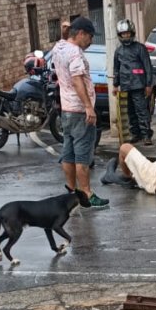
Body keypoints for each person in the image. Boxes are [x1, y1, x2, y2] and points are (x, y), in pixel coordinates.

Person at [50, 16, 109, 209]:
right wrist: (89, 107)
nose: (90, 41)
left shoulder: (59, 47)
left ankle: (71, 189)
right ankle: (86, 193)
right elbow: (77, 81)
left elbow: (65, 36)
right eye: (89, 37)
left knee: (68, 152)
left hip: (66, 109)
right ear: (81, 34)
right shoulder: (75, 54)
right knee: (82, 155)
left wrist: (67, 29)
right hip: (79, 110)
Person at [112, 18, 155, 144]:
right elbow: (116, 69)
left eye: (127, 33)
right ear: (120, 35)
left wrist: (148, 84)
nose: (126, 36)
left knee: (142, 110)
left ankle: (146, 135)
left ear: (132, 33)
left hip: (139, 85)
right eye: (123, 34)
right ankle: (136, 134)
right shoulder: (118, 51)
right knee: (130, 112)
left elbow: (148, 67)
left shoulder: (140, 48)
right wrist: (115, 85)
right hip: (125, 86)